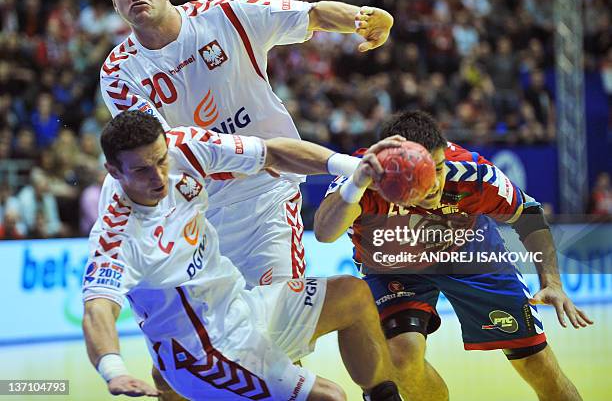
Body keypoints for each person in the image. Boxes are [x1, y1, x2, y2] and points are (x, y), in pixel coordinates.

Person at [82, 110, 404, 401]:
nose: (159, 177)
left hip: (243, 309)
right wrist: (114, 370)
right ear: (113, 170)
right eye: (141, 170)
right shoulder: (116, 234)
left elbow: (274, 152)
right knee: (330, 398)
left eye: (161, 160)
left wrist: (353, 166)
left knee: (353, 295)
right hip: (202, 355)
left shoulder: (184, 147)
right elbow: (98, 309)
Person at [314, 110, 592, 401]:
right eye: (421, 172)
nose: (434, 182)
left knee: (535, 362)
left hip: (470, 252)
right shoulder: (367, 175)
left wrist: (552, 282)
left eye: (438, 167)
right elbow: (323, 232)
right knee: (401, 358)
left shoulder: (471, 172)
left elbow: (530, 215)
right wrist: (356, 185)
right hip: (391, 267)